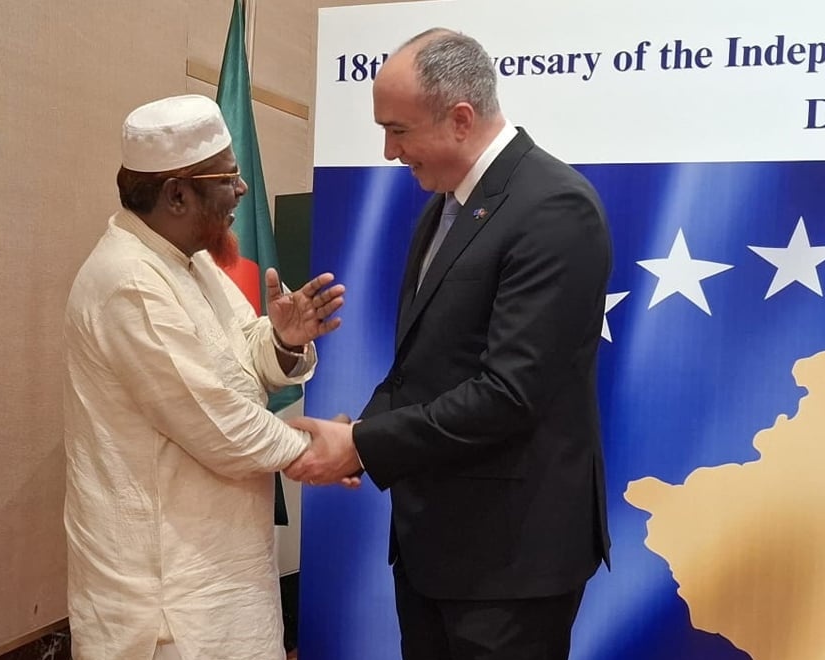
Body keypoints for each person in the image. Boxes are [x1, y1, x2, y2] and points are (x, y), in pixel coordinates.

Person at [285, 29, 612, 659]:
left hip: (510, 563)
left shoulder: (554, 207)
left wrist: (363, 445)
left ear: (461, 119)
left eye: (398, 130)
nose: (388, 151)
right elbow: (424, 365)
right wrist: (358, 434)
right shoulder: (445, 207)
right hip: (434, 546)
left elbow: (510, 393)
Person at [63, 94, 344, 660]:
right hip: (167, 600)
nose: (242, 189)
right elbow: (218, 424)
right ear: (177, 194)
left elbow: (240, 357)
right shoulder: (130, 281)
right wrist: (329, 451)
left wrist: (284, 339)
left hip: (220, 571)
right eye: (228, 178)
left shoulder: (188, 260)